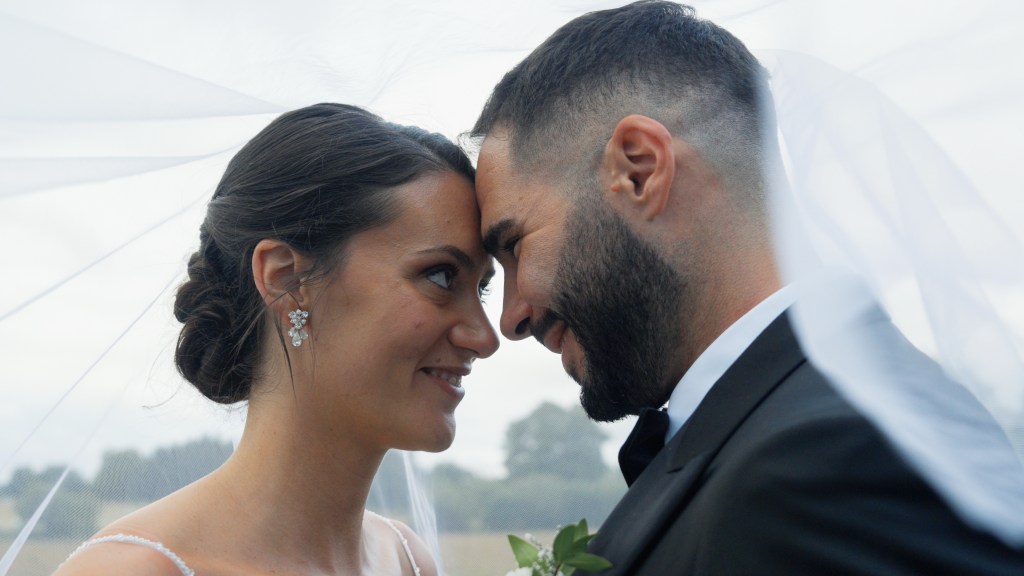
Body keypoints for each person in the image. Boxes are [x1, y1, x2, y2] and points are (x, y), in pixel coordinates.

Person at [471, 1, 1024, 574]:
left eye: (513, 246)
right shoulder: (796, 432)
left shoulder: (830, 463)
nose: (511, 318)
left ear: (639, 171)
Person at [54, 103, 499, 575]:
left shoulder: (407, 560)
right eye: (441, 277)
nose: (484, 338)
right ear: (287, 278)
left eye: (483, 288)